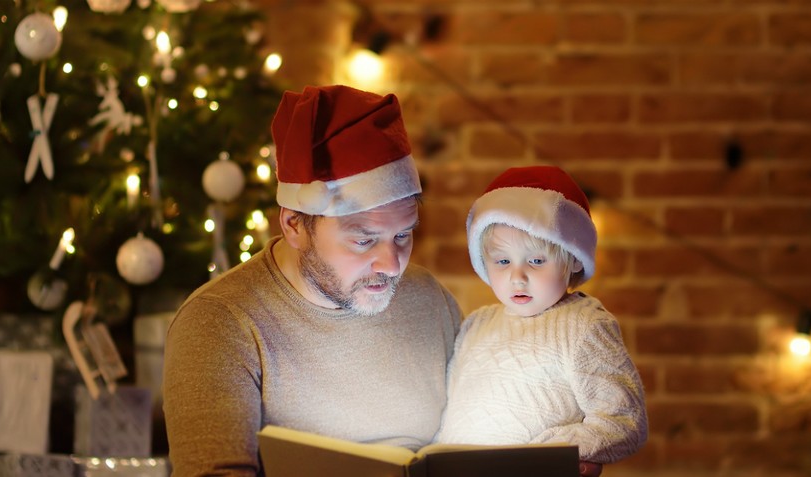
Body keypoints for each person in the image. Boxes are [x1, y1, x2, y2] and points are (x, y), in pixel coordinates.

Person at [162, 85, 463, 476]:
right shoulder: (219, 324)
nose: (391, 265)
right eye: (363, 239)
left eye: (403, 235)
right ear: (294, 226)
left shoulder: (431, 301)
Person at [434, 165, 649, 466]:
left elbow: (623, 420)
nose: (517, 277)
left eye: (536, 260)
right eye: (503, 261)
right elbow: (450, 413)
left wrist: (548, 455)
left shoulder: (583, 324)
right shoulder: (477, 324)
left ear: (573, 259)